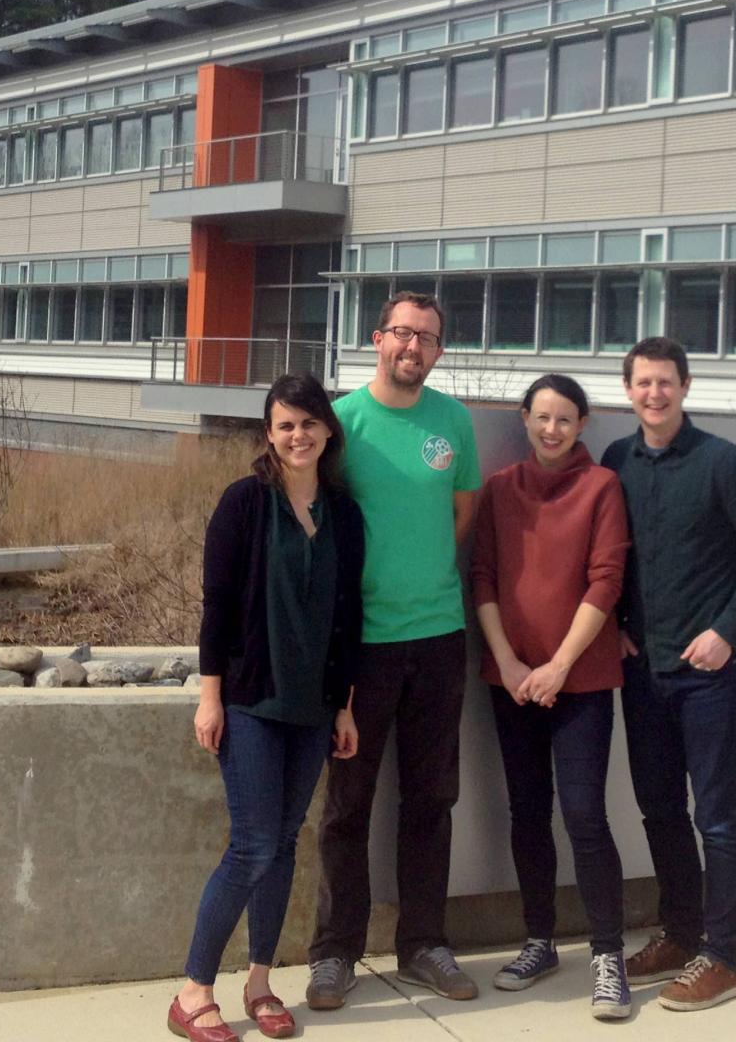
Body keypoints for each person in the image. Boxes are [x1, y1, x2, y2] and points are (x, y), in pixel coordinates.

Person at [168, 374, 364, 1042]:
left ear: (327, 431)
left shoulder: (343, 513)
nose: (298, 435)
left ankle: (259, 981)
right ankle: (193, 991)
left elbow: (349, 618)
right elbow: (217, 607)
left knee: (283, 843)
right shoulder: (243, 504)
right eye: (285, 425)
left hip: (313, 708)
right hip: (251, 701)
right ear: (268, 434)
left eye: (309, 423)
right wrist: (210, 697)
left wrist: (344, 707)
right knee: (252, 844)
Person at [306, 290, 482, 1009]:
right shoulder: (343, 423)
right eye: (402, 334)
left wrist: (420, 571)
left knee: (431, 799)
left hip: (439, 637)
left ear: (438, 352)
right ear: (377, 339)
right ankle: (335, 952)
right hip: (361, 648)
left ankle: (423, 944)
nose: (413, 348)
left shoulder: (454, 422)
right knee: (347, 805)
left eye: (428, 338)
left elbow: (461, 511)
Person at [601, 337, 736, 1014]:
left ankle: (724, 956)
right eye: (643, 383)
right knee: (659, 811)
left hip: (710, 676)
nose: (655, 393)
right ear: (628, 391)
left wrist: (726, 631)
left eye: (666, 382)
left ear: (685, 386)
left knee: (719, 818)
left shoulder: (724, 462)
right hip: (643, 675)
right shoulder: (616, 460)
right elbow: (611, 555)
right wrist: (618, 620)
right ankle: (679, 935)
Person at [471, 373, 633, 1021]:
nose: (551, 429)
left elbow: (606, 581)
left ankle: (608, 956)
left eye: (565, 419)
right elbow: (481, 576)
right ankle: (539, 940)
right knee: (527, 812)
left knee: (586, 816)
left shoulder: (602, 488)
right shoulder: (499, 489)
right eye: (542, 417)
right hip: (510, 682)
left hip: (582, 681)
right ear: (524, 418)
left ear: (582, 424)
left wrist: (560, 664)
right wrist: (509, 662)